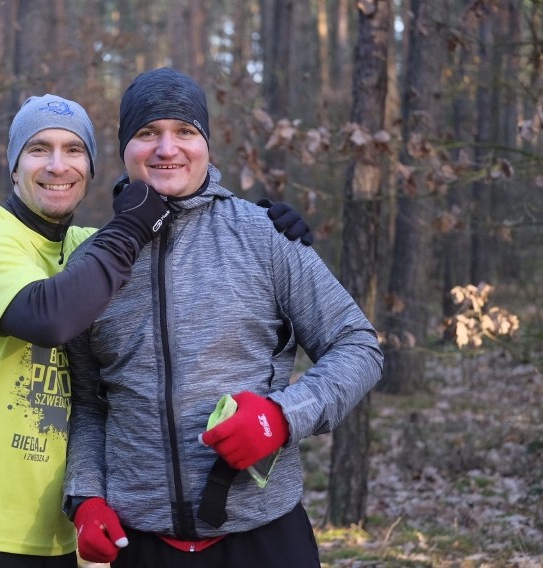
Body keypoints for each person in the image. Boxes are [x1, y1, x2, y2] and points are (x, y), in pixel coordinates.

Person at [0, 93, 312, 567]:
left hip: (56, 540)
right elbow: (49, 316)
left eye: (74, 150)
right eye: (38, 149)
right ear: (13, 166)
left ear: (91, 168)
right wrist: (134, 221)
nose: (57, 165)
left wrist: (263, 228)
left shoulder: (85, 251)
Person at [62, 68, 384, 568]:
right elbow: (88, 404)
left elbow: (357, 345)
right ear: (124, 149)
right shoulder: (93, 266)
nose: (167, 149)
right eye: (148, 133)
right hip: (142, 545)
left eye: (185, 132)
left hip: (265, 538)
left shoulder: (265, 235)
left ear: (206, 145)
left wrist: (281, 417)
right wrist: (85, 496)